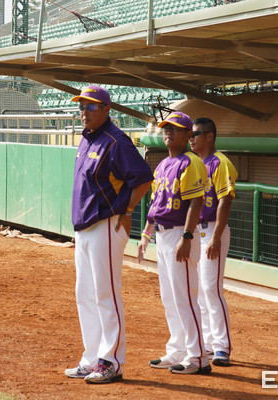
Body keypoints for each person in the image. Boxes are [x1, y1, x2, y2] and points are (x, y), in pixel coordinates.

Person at [65, 85, 154, 384]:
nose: (84, 112)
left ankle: (111, 360)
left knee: (106, 294)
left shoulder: (116, 142)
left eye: (90, 107)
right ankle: (91, 358)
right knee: (85, 295)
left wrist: (127, 211)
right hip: (85, 228)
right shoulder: (87, 139)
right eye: (82, 106)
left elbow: (143, 178)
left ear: (106, 110)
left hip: (106, 224)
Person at [137, 111, 211, 375]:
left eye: (175, 129)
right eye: (166, 128)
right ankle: (177, 349)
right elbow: (156, 204)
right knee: (170, 298)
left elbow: (196, 202)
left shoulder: (190, 162)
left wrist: (187, 237)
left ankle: (198, 357)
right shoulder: (163, 164)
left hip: (180, 233)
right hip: (163, 234)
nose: (168, 132)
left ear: (188, 135)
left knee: (185, 298)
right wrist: (146, 234)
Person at [188, 117, 238, 367]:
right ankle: (208, 342)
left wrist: (217, 236)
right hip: (196, 232)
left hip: (211, 231)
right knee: (199, 291)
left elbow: (225, 201)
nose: (191, 138)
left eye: (195, 134)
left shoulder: (221, 163)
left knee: (211, 289)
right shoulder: (194, 163)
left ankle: (221, 346)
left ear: (210, 136)